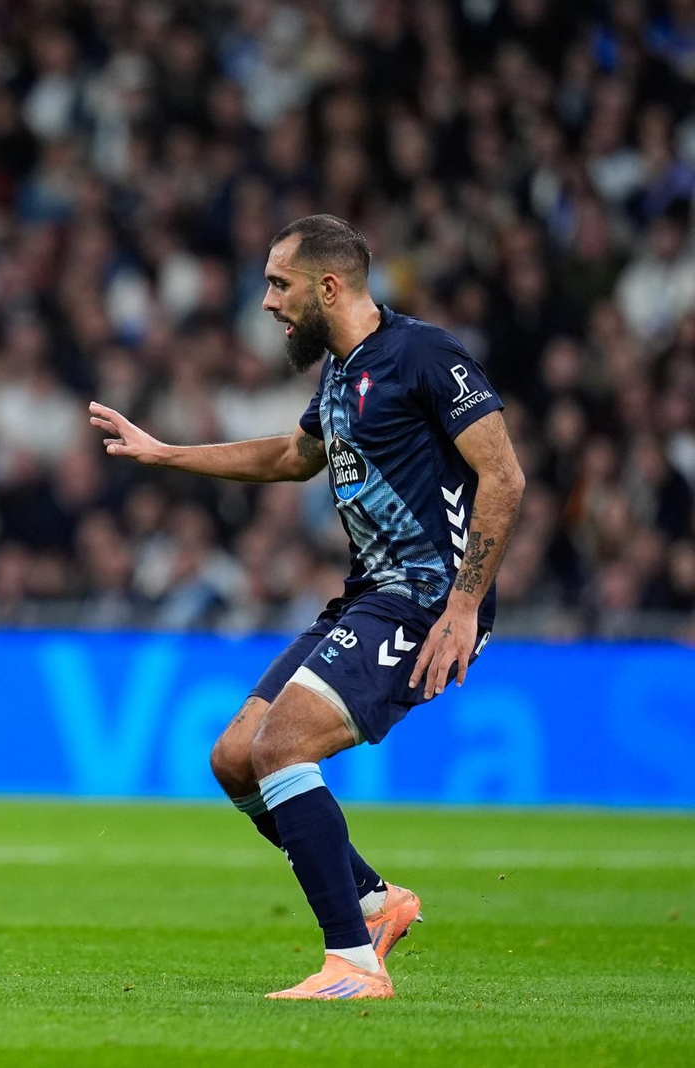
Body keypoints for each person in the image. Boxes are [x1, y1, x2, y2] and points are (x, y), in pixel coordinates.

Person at [91, 214, 525, 1000]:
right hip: (367, 596)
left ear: (329, 286)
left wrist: (463, 607)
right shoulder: (337, 374)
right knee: (235, 756)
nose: (267, 302)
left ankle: (353, 964)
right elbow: (294, 457)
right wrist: (166, 452)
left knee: (285, 743)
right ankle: (374, 903)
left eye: (278, 284)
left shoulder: (423, 354)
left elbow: (504, 476)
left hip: (425, 599)